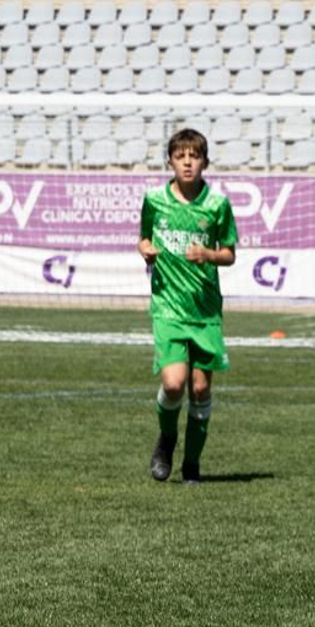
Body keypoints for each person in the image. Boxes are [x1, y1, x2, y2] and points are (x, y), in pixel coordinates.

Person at [138, 128, 238, 483]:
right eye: (180, 157)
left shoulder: (216, 205)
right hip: (168, 307)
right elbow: (144, 237)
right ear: (170, 161)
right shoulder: (154, 200)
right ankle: (166, 439)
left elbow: (229, 254)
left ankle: (192, 464)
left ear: (205, 162)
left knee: (200, 389)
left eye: (193, 157)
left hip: (205, 310)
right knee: (174, 382)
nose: (187, 163)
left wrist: (208, 254)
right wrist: (144, 248)